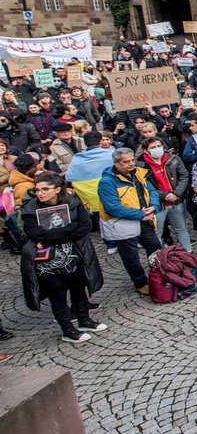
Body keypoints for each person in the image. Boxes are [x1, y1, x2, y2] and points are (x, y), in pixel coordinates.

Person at [19, 174, 106, 344]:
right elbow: (35, 233)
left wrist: (54, 235)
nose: (40, 193)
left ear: (57, 189)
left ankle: (84, 320)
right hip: (48, 262)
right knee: (57, 294)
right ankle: (67, 329)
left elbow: (85, 225)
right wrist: (68, 231)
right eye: (37, 189)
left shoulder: (72, 201)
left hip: (75, 255)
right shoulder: (30, 209)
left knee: (79, 288)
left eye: (45, 189)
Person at [97, 147, 161, 294]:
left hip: (145, 219)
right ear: (116, 163)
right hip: (123, 224)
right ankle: (140, 283)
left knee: (155, 248)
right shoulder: (107, 181)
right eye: (126, 162)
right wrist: (139, 215)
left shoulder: (138, 173)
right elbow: (112, 207)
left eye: (132, 160)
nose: (131, 164)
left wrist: (154, 206)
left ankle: (159, 275)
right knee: (130, 256)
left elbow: (151, 190)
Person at [138, 137, 192, 253]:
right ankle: (157, 258)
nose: (157, 149)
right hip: (157, 204)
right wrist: (164, 195)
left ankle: (189, 253)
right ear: (146, 151)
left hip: (176, 201)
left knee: (181, 229)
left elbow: (184, 176)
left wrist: (176, 193)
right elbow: (144, 186)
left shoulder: (174, 159)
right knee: (157, 232)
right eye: (153, 147)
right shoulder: (141, 166)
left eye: (159, 146)